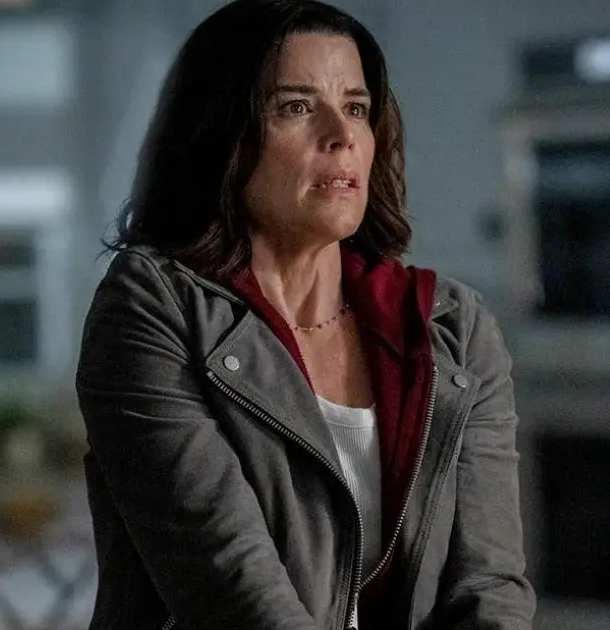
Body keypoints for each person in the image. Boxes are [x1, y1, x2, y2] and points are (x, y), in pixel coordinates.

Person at [75, 1, 535, 628]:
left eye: (357, 108)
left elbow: (489, 585)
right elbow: (234, 591)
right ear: (223, 135)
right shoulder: (152, 309)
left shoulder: (452, 327)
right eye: (295, 107)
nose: (341, 134)